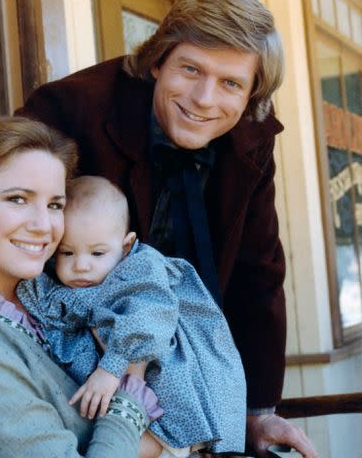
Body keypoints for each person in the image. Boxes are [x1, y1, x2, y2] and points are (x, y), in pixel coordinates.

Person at [0, 0, 318, 458]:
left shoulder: (250, 136)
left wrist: (258, 411)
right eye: (190, 69)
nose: (204, 99)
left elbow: (260, 271)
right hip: (85, 362)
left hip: (186, 353)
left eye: (231, 83)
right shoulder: (78, 105)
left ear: (253, 92)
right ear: (158, 62)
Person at [0, 116, 156, 457]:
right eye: (18, 199)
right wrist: (133, 386)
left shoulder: (56, 285)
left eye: (54, 204)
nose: (43, 225)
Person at [17, 175, 247, 457]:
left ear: (126, 246)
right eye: (67, 252)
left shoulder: (140, 268)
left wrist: (111, 366)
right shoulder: (66, 290)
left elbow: (150, 317)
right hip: (117, 410)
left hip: (166, 394)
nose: (81, 266)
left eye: (97, 252)